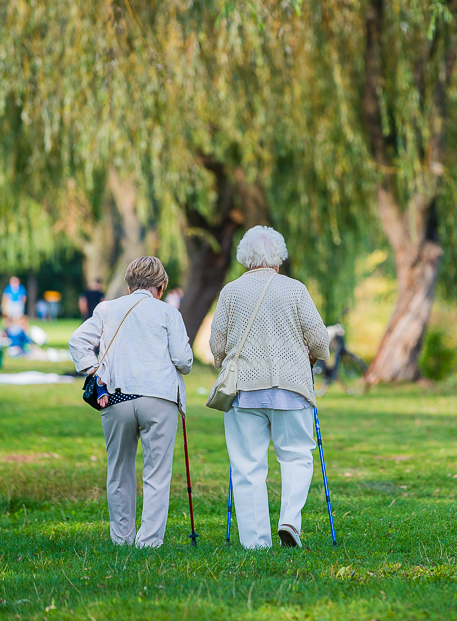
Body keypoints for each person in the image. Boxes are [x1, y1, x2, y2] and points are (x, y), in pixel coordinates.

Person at [210, 226, 330, 549]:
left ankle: (256, 543)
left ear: (245, 258)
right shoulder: (295, 290)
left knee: (247, 465)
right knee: (297, 456)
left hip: (244, 390)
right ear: (278, 257)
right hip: (291, 387)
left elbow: (216, 346)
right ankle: (289, 519)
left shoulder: (230, 292)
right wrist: (313, 356)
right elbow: (320, 340)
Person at [68, 257, 193, 548]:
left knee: (119, 470)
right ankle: (149, 541)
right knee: (157, 473)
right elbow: (184, 361)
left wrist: (94, 369)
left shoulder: (107, 309)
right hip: (158, 397)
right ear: (161, 287)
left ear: (128, 285)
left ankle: (121, 538)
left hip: (116, 397)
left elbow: (78, 341)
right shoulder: (168, 313)